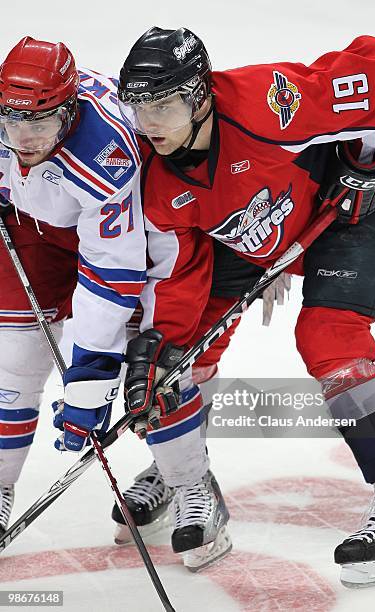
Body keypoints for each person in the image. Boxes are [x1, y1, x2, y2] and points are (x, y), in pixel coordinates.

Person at [114, 26, 375, 584]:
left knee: (328, 339)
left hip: (352, 213)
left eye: (165, 105)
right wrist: (166, 346)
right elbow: (184, 273)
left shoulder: (269, 106)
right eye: (140, 107)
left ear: (200, 96)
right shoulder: (155, 175)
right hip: (255, 230)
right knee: (180, 349)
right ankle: (182, 468)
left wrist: (372, 160)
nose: (150, 125)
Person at [0, 37, 147, 536]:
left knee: (149, 363)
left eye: (39, 122)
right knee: (13, 359)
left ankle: (180, 477)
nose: (24, 137)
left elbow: (110, 270)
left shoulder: (105, 153)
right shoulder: (10, 120)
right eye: (12, 121)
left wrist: (90, 368)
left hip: (129, 233)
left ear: (69, 112)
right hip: (26, 226)